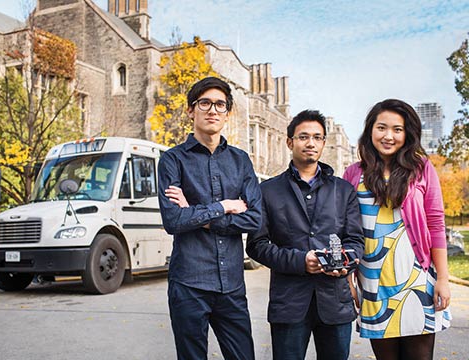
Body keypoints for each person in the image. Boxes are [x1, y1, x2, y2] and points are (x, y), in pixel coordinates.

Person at [157, 77, 262, 360]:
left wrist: (198, 214)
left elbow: (254, 220)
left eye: (220, 104)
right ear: (191, 110)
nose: (212, 110)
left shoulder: (241, 161)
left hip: (232, 285)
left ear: (227, 113)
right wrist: (224, 206)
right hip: (189, 283)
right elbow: (173, 221)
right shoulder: (172, 160)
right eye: (204, 103)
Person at [246, 109, 365, 360]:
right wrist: (301, 261)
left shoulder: (343, 190)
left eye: (317, 137)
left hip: (335, 302)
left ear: (323, 143)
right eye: (303, 137)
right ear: (290, 142)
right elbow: (256, 245)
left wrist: (345, 262)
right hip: (289, 303)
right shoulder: (267, 190)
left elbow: (355, 241)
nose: (310, 143)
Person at [343, 99, 451, 360]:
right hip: (372, 281)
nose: (388, 136)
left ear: (407, 134)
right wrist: (349, 280)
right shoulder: (353, 174)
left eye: (397, 129)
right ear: (370, 130)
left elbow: (436, 224)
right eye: (382, 128)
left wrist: (444, 280)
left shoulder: (421, 169)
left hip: (417, 279)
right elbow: (344, 229)